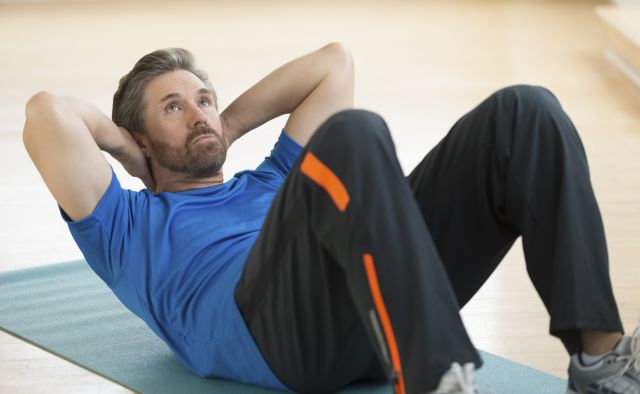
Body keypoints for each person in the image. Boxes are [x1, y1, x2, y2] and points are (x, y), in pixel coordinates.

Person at [22, 42, 639, 394]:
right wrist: (131, 155)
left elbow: (333, 63)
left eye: (203, 99)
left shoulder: (272, 179)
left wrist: (227, 124)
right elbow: (47, 113)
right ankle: (434, 378)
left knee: (524, 112)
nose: (200, 114)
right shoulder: (127, 226)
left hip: (372, 308)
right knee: (350, 135)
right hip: (277, 335)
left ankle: (599, 361)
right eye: (174, 109)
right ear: (140, 134)